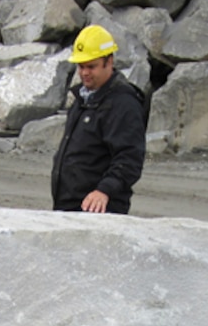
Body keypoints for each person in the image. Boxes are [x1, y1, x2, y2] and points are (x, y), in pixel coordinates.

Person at [51, 25, 147, 215]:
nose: (84, 73)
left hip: (100, 210)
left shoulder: (123, 104)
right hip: (69, 206)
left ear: (109, 62)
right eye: (81, 66)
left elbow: (129, 157)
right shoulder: (83, 98)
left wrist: (105, 190)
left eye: (91, 66)